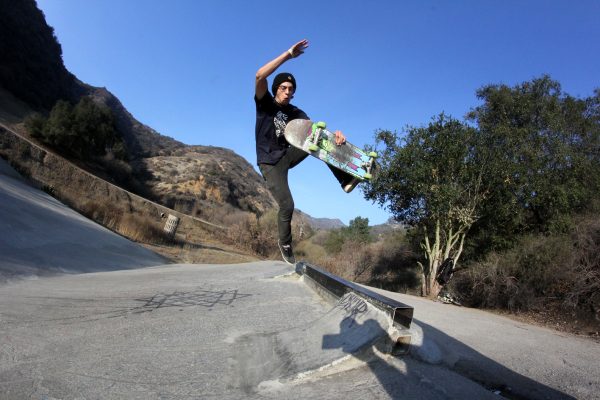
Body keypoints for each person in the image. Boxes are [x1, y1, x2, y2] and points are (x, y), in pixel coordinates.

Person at [255, 39, 358, 265]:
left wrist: (336, 137)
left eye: (291, 90)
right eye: (283, 88)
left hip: (287, 156)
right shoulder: (265, 105)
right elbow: (259, 76)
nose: (287, 92)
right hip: (270, 164)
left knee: (319, 140)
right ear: (276, 90)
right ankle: (285, 243)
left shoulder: (296, 111)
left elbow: (316, 131)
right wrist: (288, 55)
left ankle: (345, 177)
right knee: (287, 205)